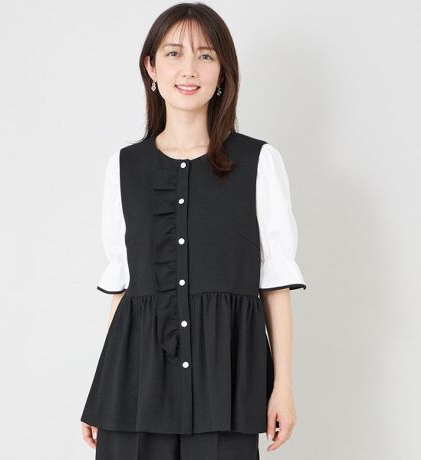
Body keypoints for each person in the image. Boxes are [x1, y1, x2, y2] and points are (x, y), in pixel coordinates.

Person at [80, 3, 307, 459]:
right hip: (134, 387)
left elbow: (274, 284)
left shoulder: (259, 163)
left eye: (205, 55)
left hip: (224, 384)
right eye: (173, 53)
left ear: (223, 71)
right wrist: (102, 391)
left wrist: (282, 386)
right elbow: (123, 288)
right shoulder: (124, 167)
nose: (189, 69)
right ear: (151, 67)